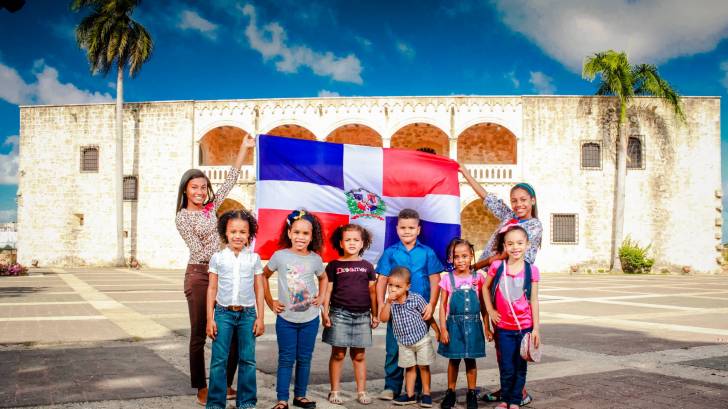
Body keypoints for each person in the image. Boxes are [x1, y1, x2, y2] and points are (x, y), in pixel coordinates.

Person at [175, 134, 254, 405]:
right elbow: (198, 251)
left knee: (231, 333)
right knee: (200, 333)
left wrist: (243, 148)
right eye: (194, 187)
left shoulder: (211, 209)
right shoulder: (182, 217)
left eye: (203, 187)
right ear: (185, 190)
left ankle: (224, 384)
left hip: (222, 273)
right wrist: (228, 249)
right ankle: (201, 387)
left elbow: (231, 178)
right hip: (199, 275)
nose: (199, 191)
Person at [459, 164, 541, 405]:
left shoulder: (533, 225)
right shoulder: (508, 216)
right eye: (514, 200)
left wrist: (478, 264)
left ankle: (518, 393)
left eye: (523, 200)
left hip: (511, 284)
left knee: (515, 345)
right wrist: (465, 173)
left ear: (532, 200)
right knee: (501, 341)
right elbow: (487, 197)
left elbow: (507, 256)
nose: (518, 204)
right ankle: (507, 389)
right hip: (492, 281)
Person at [262, 209, 328, 409]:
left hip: (310, 319)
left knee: (304, 358)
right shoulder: (280, 256)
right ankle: (282, 399)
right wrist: (270, 301)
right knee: (286, 359)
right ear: (289, 233)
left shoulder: (315, 259)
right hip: (286, 320)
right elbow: (263, 276)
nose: (301, 237)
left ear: (312, 236)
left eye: (305, 233)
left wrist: (321, 297)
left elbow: (324, 278)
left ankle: (300, 396)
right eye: (297, 232)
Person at [375, 208, 444, 401]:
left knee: (420, 349)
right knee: (393, 349)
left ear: (418, 229)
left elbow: (435, 280)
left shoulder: (427, 252)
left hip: (419, 311)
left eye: (411, 228)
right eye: (403, 227)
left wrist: (432, 304)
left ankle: (419, 389)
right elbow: (382, 280)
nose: (407, 231)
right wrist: (381, 304)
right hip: (396, 311)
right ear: (397, 229)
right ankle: (391, 387)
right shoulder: (391, 252)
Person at [205, 210, 265, 409]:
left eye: (242, 232)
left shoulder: (254, 259)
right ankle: (215, 403)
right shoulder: (218, 258)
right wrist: (210, 318)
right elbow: (212, 288)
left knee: (248, 360)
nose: (238, 236)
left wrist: (260, 318)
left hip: (248, 315)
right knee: (218, 360)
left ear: (249, 234)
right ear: (225, 232)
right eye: (233, 231)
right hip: (223, 314)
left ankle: (246, 402)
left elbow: (259, 288)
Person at [484, 224, 541, 409]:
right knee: (506, 366)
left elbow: (534, 300)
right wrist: (491, 311)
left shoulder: (532, 270)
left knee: (520, 367)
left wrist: (536, 329)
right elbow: (485, 287)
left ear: (527, 244)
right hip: (504, 328)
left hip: (524, 327)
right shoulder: (497, 266)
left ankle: (515, 401)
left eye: (519, 243)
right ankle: (505, 400)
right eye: (510, 244)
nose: (515, 247)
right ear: (505, 246)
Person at [321, 224, 378, 405]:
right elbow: (328, 291)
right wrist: (325, 312)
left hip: (363, 316)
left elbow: (373, 292)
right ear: (341, 243)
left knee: (359, 355)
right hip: (339, 314)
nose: (352, 243)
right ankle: (334, 390)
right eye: (348, 240)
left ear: (362, 243)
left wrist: (375, 314)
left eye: (356, 240)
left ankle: (361, 391)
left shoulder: (367, 266)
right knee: (338, 354)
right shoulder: (334, 265)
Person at [437, 239, 490, 409]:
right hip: (454, 326)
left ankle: (471, 393)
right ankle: (450, 392)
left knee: (470, 360)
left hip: (474, 325)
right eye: (456, 257)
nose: (460, 260)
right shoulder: (447, 279)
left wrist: (487, 327)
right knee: (454, 360)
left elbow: (484, 305)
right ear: (451, 259)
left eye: (464, 256)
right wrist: (443, 328)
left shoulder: (478, 278)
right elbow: (442, 305)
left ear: (471, 255)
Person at [379, 267, 440, 408]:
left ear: (407, 287)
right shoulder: (391, 304)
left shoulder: (416, 299)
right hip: (404, 343)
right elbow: (383, 318)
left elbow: (428, 316)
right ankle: (410, 394)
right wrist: (387, 303)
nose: (393, 289)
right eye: (390, 285)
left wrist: (437, 331)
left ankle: (426, 394)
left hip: (421, 339)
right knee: (410, 368)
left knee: (423, 367)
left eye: (398, 286)